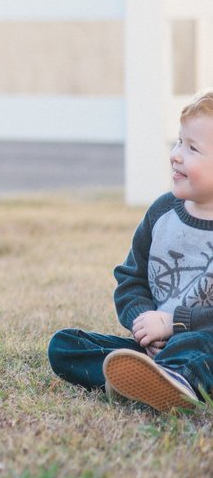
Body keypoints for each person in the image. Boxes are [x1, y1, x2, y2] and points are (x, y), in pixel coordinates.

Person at [46, 92, 213, 412]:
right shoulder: (162, 213)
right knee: (65, 345)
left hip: (204, 346)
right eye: (179, 141)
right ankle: (145, 379)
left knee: (198, 347)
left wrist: (173, 324)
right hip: (155, 346)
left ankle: (175, 380)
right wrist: (145, 326)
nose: (176, 155)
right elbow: (131, 280)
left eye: (192, 148)